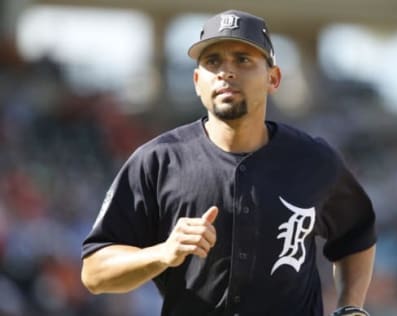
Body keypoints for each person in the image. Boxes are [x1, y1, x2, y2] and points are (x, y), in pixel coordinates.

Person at [81, 9, 376, 316]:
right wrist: (162, 253)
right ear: (197, 81)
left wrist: (350, 306)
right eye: (212, 62)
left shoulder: (313, 159)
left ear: (273, 78)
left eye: (243, 59)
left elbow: (357, 234)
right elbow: (94, 271)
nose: (226, 71)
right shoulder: (158, 161)